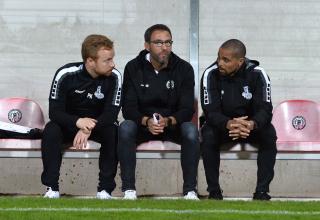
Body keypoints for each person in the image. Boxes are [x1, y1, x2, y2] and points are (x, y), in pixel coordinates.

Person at [118, 24, 200, 200]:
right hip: (143, 125)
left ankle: (190, 190)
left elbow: (187, 109)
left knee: (191, 130)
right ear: (147, 45)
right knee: (125, 128)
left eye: (168, 42)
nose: (165, 47)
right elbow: (128, 108)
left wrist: (168, 120)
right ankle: (129, 190)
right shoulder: (133, 68)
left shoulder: (184, 69)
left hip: (172, 125)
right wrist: (147, 121)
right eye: (159, 43)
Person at [41, 34, 122, 199]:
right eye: (107, 60)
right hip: (70, 125)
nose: (113, 64)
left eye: (112, 58)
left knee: (113, 131)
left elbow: (111, 113)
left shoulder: (115, 77)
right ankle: (52, 188)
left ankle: (105, 190)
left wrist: (87, 128)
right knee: (51, 129)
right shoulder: (65, 74)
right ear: (90, 61)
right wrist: (78, 122)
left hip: (99, 125)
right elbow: (55, 112)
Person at [200, 39, 277, 200]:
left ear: (240, 61)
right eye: (219, 57)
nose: (220, 63)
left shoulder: (258, 74)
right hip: (223, 126)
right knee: (207, 135)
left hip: (250, 126)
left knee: (269, 133)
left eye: (226, 60)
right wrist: (229, 124)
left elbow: (265, 109)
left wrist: (251, 124)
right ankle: (214, 191)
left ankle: (261, 191)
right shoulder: (210, 74)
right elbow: (210, 111)